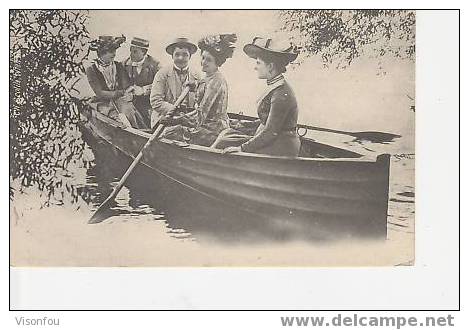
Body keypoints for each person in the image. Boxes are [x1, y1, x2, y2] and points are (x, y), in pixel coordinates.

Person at [214, 37, 301, 157]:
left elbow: (271, 131)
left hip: (281, 146)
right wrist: (243, 125)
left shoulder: (281, 93)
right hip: (272, 140)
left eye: (258, 63)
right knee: (227, 135)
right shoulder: (276, 87)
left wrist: (242, 148)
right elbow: (267, 120)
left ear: (270, 66)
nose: (255, 67)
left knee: (227, 145)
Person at [161, 34, 237, 146]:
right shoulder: (209, 76)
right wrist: (195, 86)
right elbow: (204, 89)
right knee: (170, 131)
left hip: (213, 130)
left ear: (217, 63)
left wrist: (177, 120)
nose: (203, 62)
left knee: (170, 133)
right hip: (205, 124)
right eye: (203, 57)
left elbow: (200, 115)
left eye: (209, 60)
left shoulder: (216, 81)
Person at [86, 35, 140, 128]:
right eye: (110, 51)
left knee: (129, 111)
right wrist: (119, 93)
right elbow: (100, 92)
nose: (114, 54)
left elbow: (126, 85)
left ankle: (138, 133)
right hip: (103, 101)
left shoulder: (118, 65)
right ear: (102, 52)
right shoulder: (91, 69)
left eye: (115, 51)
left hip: (120, 99)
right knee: (115, 118)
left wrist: (128, 93)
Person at [149, 37, 201, 128]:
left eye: (185, 55)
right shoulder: (162, 74)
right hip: (164, 120)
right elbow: (155, 101)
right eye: (177, 54)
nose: (180, 58)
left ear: (190, 56)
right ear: (172, 56)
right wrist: (176, 112)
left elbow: (201, 100)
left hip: (189, 121)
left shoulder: (196, 75)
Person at [122, 37, 161, 128]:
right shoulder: (124, 64)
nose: (131, 54)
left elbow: (161, 85)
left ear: (144, 52)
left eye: (135, 51)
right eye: (130, 51)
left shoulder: (155, 65)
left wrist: (143, 90)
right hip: (132, 102)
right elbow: (122, 82)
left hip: (150, 102)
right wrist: (128, 90)